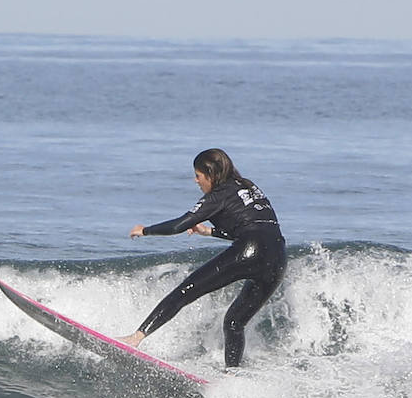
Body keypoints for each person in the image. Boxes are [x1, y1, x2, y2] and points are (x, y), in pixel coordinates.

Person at [119, 148, 287, 368]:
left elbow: (179, 225)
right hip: (278, 257)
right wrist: (209, 232)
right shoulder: (248, 186)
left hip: (250, 249)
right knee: (235, 322)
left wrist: (146, 230)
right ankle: (233, 377)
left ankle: (136, 338)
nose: (196, 181)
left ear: (210, 175)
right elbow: (253, 226)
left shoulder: (217, 195)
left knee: (185, 291)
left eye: (198, 176)